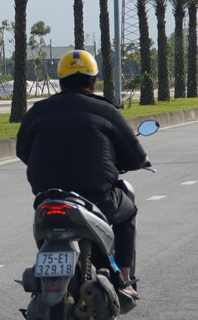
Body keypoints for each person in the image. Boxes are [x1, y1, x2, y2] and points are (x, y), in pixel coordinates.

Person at [15, 49, 149, 305]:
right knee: (128, 212)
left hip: (48, 197)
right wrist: (142, 162)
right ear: (93, 82)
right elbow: (135, 156)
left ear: (61, 81)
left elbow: (23, 152)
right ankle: (126, 277)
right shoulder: (106, 110)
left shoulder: (37, 111)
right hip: (98, 198)